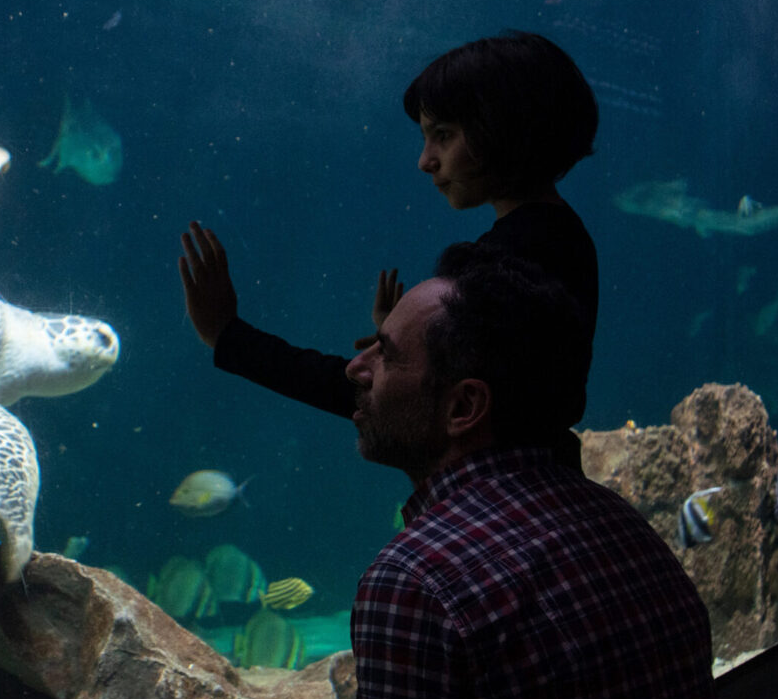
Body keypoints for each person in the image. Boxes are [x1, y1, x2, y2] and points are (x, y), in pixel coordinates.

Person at [291, 243, 753, 699]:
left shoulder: (417, 580)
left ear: (463, 408)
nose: (354, 369)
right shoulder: (618, 522)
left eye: (385, 355)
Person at [179, 31, 599, 432]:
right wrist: (409, 344)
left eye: (444, 136)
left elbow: (397, 404)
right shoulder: (567, 239)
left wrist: (228, 336)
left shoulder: (503, 267)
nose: (425, 160)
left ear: (506, 131)